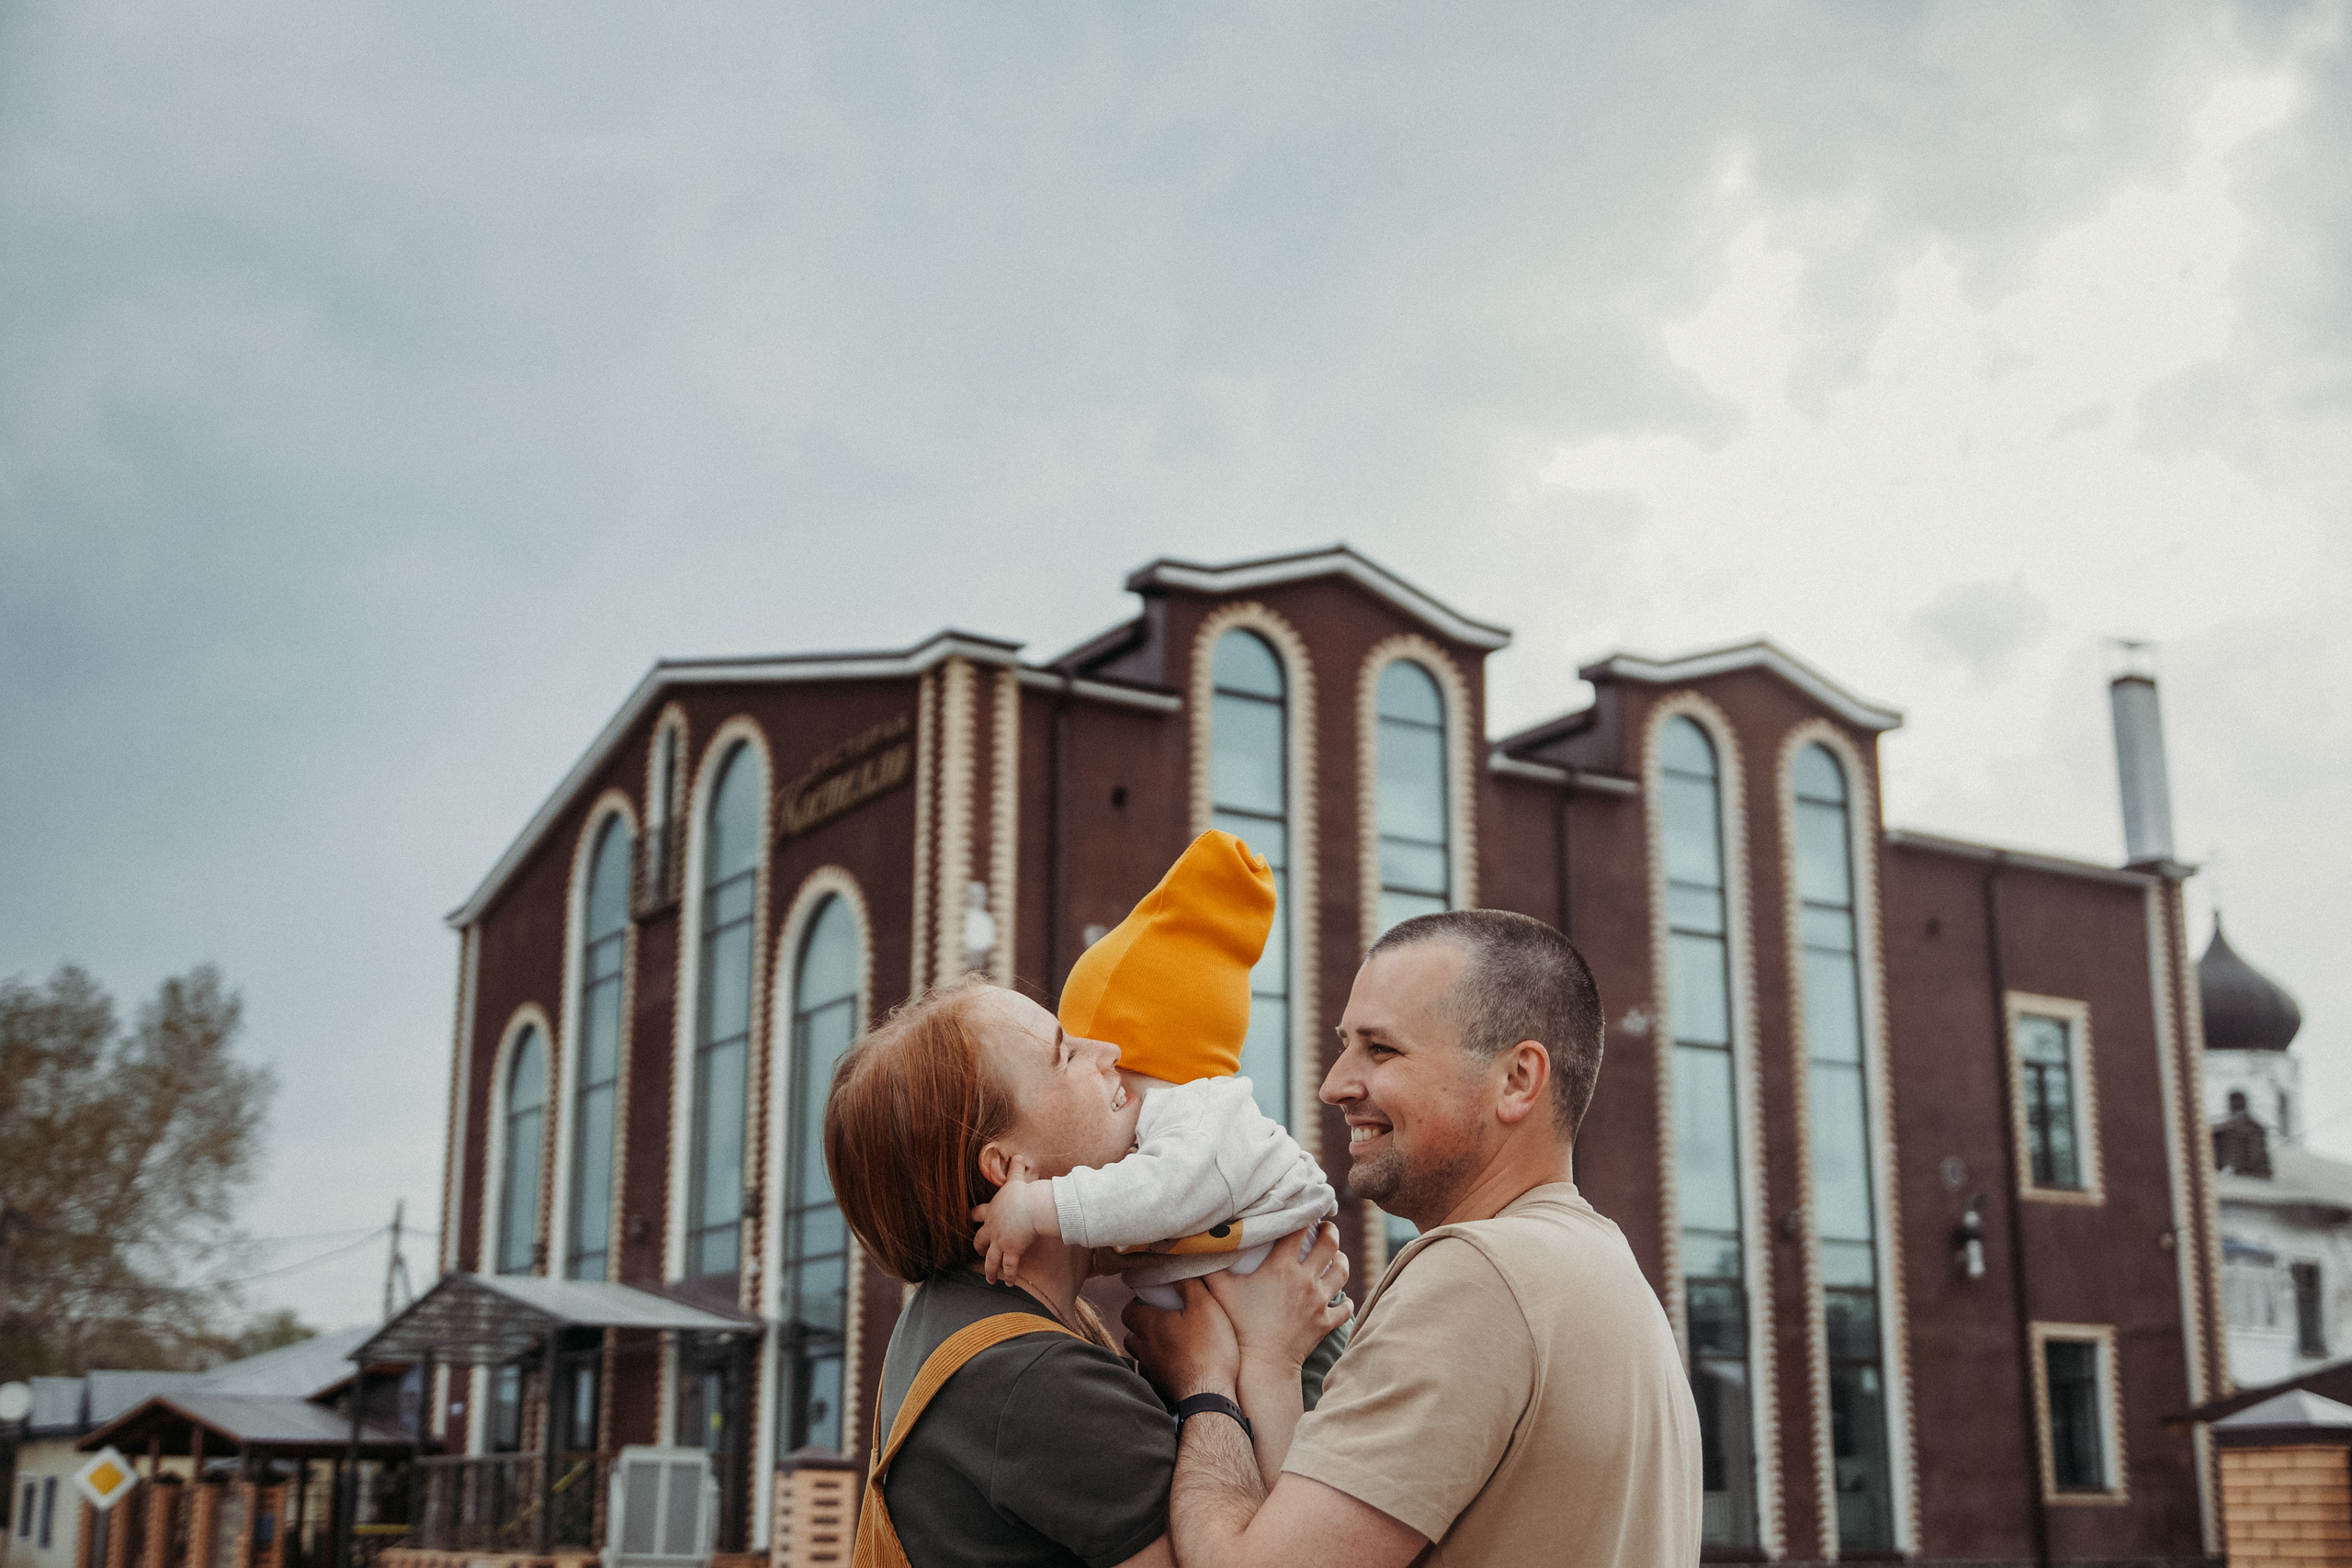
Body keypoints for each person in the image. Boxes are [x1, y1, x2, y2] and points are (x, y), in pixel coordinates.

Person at [1124, 909, 1702, 1567]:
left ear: (1517, 1080)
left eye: (1382, 1048)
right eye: (1345, 1043)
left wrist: (1205, 1385)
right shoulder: (1607, 1274)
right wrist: (1273, 1364)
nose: (1335, 1084)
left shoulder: (1478, 1277)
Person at [823, 976, 1345, 1568]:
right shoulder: (1038, 1381)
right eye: (1067, 1053)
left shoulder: (951, 1320)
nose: (1110, 1054)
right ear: (1007, 1166)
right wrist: (1213, 1380)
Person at [973, 830, 1336, 1318]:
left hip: (1302, 1333)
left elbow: (1159, 1192)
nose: (1098, 1065)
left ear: (1145, 1061)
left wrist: (1036, 1208)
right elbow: (1137, 1220)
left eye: (1109, 1063)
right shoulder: (1164, 1129)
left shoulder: (1206, 1118)